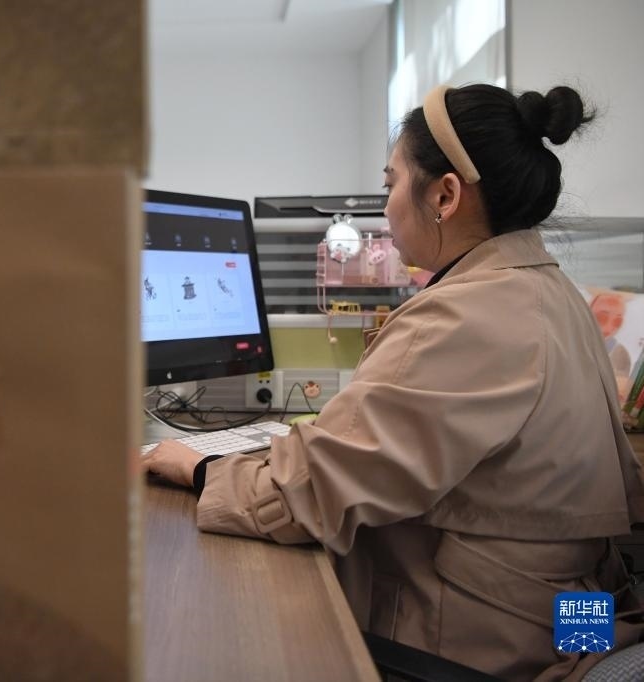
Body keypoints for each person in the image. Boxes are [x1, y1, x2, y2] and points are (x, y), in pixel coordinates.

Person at [143, 83, 644, 681]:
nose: (385, 209)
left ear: (444, 195)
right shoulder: (550, 291)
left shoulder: (465, 315)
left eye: (390, 184)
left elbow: (314, 494)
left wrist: (199, 468)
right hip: (579, 615)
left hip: (494, 647)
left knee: (234, 638)